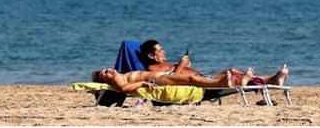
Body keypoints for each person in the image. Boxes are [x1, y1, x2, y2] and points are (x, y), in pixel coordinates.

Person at [139, 39, 290, 86]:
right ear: (151, 56)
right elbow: (168, 80)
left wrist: (184, 66)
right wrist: (181, 66)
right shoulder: (152, 68)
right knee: (233, 79)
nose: (164, 52)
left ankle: (274, 78)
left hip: (205, 77)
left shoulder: (164, 64)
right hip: (201, 83)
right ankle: (272, 79)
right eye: (160, 51)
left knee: (232, 71)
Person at [90, 67, 233, 94]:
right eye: (105, 73)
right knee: (192, 78)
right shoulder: (117, 79)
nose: (109, 70)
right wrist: (142, 83)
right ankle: (220, 83)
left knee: (194, 78)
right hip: (157, 81)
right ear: (106, 80)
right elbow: (123, 89)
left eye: (106, 69)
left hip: (160, 77)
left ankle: (229, 80)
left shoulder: (120, 75)